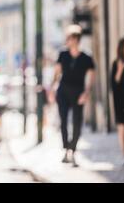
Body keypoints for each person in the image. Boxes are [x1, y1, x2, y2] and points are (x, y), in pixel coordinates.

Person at [48, 25, 95, 167]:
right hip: (63, 91)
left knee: (77, 122)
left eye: (69, 38)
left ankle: (72, 150)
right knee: (63, 120)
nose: (67, 41)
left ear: (76, 39)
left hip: (78, 92)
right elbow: (56, 73)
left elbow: (91, 76)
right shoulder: (63, 54)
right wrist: (51, 90)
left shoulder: (86, 57)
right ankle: (65, 149)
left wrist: (86, 93)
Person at [111, 36, 124, 166]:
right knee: (122, 130)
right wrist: (119, 69)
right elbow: (114, 84)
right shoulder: (116, 63)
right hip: (120, 99)